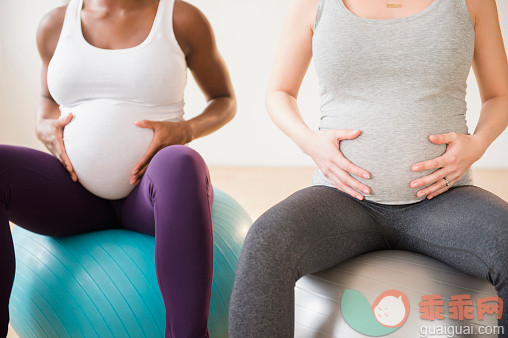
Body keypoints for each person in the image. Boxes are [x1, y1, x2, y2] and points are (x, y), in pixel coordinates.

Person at [228, 0, 508, 336]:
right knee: (265, 243)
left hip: (444, 198)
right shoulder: (312, 4)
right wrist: (310, 142)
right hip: (342, 199)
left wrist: (476, 144)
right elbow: (279, 92)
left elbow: (499, 94)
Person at [0, 0, 236, 336]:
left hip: (149, 195)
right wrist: (43, 123)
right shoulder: (55, 24)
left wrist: (188, 129)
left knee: (182, 163)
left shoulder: (181, 18)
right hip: (73, 194)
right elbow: (46, 98)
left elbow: (224, 99)